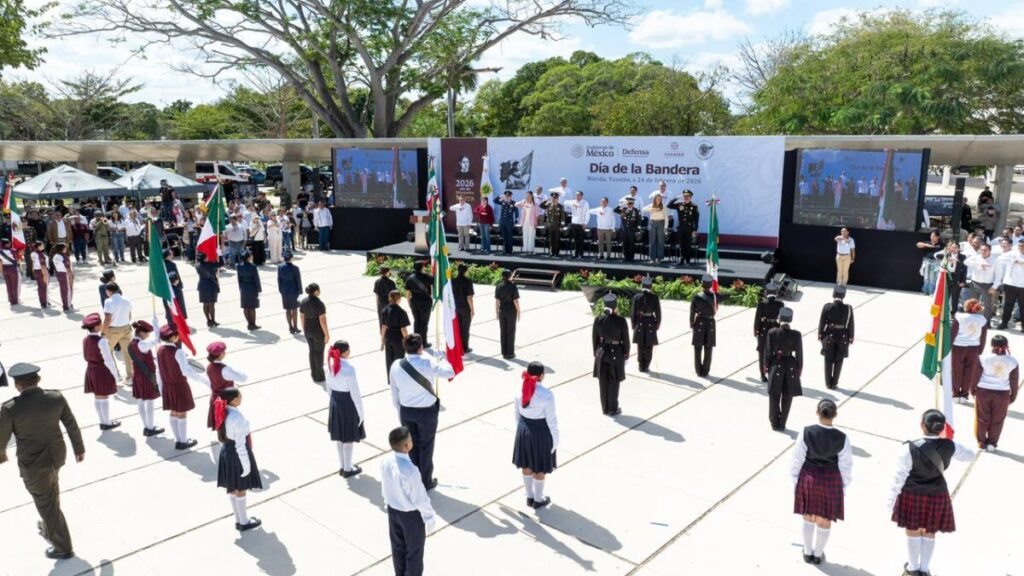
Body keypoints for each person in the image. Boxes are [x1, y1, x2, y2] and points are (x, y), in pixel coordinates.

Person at [0, 363, 85, 560]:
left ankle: (63, 547)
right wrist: (79, 448)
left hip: (33, 464)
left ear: (17, 385)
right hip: (56, 456)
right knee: (50, 494)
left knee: (46, 503)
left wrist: (1, 456)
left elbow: (0, 438)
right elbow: (71, 424)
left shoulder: (10, 408)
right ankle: (49, 526)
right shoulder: (56, 397)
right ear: (38, 380)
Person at [887, 410, 974, 576]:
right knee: (929, 531)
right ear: (942, 428)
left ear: (922, 425)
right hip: (937, 494)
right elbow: (970, 455)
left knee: (913, 530)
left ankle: (912, 569)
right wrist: (949, 442)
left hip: (912, 494)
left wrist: (891, 501)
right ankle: (925, 569)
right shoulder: (950, 445)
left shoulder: (909, 448)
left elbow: (899, 477)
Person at [790, 399, 853, 566]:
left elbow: (797, 459)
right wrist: (843, 486)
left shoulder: (806, 432)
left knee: (808, 516)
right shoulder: (842, 438)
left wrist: (795, 480)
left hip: (809, 477)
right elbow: (846, 465)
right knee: (824, 520)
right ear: (835, 415)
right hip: (831, 481)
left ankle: (807, 552)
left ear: (817, 412)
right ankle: (817, 555)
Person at [389, 334, 454, 490]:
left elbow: (394, 393)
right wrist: (441, 358)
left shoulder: (396, 365)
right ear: (421, 348)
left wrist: (399, 410)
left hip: (406, 411)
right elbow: (450, 372)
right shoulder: (427, 363)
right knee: (426, 446)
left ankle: (413, 478)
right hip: (426, 412)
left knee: (409, 447)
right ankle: (425, 480)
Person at [381, 426, 436, 576]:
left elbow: (385, 487)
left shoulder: (386, 462)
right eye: (411, 439)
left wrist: (387, 503)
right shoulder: (410, 471)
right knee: (414, 553)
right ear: (407, 445)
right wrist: (429, 517)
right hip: (410, 516)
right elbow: (420, 499)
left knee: (398, 549)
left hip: (393, 511)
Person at [213, 387, 263, 532]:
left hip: (227, 451)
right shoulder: (237, 419)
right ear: (234, 400)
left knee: (233, 489)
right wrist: (246, 465)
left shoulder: (223, 411)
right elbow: (240, 445)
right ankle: (244, 522)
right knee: (241, 489)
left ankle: (239, 519)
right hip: (236, 454)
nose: (242, 397)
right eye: (240, 396)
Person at [157, 324, 210, 450]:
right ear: (173, 337)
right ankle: (183, 441)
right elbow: (186, 371)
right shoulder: (178, 352)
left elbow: (158, 371)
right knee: (182, 413)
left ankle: (178, 440)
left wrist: (161, 387)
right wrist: (205, 381)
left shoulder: (159, 350)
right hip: (179, 385)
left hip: (167, 385)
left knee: (173, 412)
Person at [513, 361, 558, 509]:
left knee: (526, 464)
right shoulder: (546, 394)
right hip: (540, 432)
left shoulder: (519, 392)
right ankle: (538, 499)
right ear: (542, 375)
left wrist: (520, 432)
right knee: (539, 467)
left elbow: (517, 415)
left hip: (523, 429)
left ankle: (530, 496)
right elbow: (551, 419)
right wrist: (555, 439)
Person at [326, 340, 365, 477]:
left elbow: (329, 388)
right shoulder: (349, 369)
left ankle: (343, 466)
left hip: (335, 401)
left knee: (339, 436)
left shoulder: (329, 365)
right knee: (348, 437)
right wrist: (361, 411)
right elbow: (355, 393)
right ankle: (348, 469)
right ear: (345, 352)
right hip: (348, 404)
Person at [973, 334, 1018, 452]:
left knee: (982, 418)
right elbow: (1014, 381)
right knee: (998, 420)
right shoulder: (1013, 361)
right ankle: (992, 443)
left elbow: (975, 375)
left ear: (991, 345)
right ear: (1006, 345)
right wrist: (1012, 396)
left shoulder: (983, 358)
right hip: (1002, 394)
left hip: (983, 392)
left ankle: (982, 442)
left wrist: (972, 390)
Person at [81, 313, 121, 430]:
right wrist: (116, 375)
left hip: (91, 369)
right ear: (96, 326)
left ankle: (103, 421)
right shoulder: (102, 341)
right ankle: (106, 422)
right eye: (100, 324)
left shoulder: (85, 340)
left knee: (98, 396)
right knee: (104, 396)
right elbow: (108, 360)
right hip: (101, 370)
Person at [765, 307, 803, 431]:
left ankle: (774, 422)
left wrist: (767, 366)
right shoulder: (796, 334)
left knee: (774, 395)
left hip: (776, 364)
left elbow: (768, 353)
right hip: (791, 365)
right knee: (788, 395)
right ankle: (782, 423)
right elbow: (799, 354)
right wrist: (799, 368)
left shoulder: (772, 332)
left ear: (779, 318)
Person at [592, 293, 629, 416]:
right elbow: (625, 340)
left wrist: (596, 352)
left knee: (603, 383)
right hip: (616, 354)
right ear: (615, 307)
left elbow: (595, 338)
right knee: (614, 382)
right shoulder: (621, 321)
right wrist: (626, 354)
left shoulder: (598, 319)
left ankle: (605, 408)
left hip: (601, 353)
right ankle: (612, 408)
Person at [127, 319, 164, 437]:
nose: (148, 335)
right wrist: (156, 325)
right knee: (149, 402)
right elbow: (157, 340)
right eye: (147, 333)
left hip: (138, 375)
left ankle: (146, 426)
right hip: (146, 376)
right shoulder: (142, 344)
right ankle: (150, 427)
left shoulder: (131, 343)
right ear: (141, 332)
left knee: (140, 402)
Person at [205, 341, 248, 431]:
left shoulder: (209, 367)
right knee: (227, 428)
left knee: (220, 429)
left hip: (214, 399)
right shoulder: (224, 369)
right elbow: (243, 378)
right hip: (225, 401)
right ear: (221, 355)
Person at [951, 299, 987, 403]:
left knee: (956, 371)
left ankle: (955, 394)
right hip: (974, 348)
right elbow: (983, 337)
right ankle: (964, 394)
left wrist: (948, 347)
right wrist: (980, 350)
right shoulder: (982, 320)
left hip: (958, 347)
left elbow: (953, 333)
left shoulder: (959, 317)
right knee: (969, 372)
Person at [818, 286, 854, 390]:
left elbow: (822, 321)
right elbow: (850, 324)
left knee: (828, 360)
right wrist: (851, 336)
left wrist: (820, 334)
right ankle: (834, 383)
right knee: (839, 360)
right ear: (843, 296)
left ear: (833, 294)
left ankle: (828, 383)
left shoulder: (827, 306)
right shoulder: (848, 308)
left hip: (829, 335)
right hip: (843, 336)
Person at [101, 281, 134, 382]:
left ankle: (115, 375)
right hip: (126, 328)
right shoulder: (127, 300)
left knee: (107, 352)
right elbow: (129, 316)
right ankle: (130, 377)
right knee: (127, 353)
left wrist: (103, 332)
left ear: (108, 291)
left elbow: (107, 319)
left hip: (113, 330)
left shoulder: (108, 301)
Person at [300, 283, 329, 384]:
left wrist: (304, 329)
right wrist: (326, 334)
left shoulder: (303, 301)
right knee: (319, 352)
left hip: (307, 328)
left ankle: (314, 374)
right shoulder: (319, 304)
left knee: (312, 351)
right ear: (316, 291)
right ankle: (319, 376)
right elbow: (322, 320)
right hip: (317, 330)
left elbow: (302, 317)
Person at [754, 283, 784, 382]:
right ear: (776, 293)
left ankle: (763, 374)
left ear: (766, 293)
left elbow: (757, 319)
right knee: (775, 352)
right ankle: (772, 371)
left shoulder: (762, 304)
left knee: (762, 352)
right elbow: (782, 318)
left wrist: (756, 330)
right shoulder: (780, 304)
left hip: (764, 329)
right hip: (775, 329)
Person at [630, 276, 661, 372]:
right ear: (651, 287)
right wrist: (657, 323)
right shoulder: (654, 297)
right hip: (650, 322)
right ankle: (646, 365)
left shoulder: (637, 297)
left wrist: (633, 324)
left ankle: (641, 365)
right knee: (649, 345)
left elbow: (633, 313)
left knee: (640, 345)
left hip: (640, 321)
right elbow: (658, 313)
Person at [993, 238, 1024, 330]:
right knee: (1008, 305)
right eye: (1019, 245)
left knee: (1023, 306)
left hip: (1023, 286)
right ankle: (1004, 323)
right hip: (1010, 284)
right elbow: (1000, 259)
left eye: (1023, 246)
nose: (1021, 247)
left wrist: (1020, 262)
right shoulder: (1012, 253)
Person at [690, 275, 717, 377]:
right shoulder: (714, 296)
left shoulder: (696, 297)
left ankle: (698, 370)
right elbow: (725, 296)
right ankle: (705, 371)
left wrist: (692, 324)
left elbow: (692, 312)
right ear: (711, 285)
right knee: (708, 348)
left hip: (699, 322)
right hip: (710, 323)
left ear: (701, 284)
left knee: (698, 348)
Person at [381, 290, 410, 376]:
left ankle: (391, 379)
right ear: (399, 299)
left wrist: (382, 341)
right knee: (399, 361)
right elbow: (403, 329)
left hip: (388, 337)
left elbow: (383, 327)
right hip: (398, 338)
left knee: (389, 361)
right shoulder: (401, 312)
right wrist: (407, 342)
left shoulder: (385, 310)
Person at [405, 261, 433, 348]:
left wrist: (409, 303)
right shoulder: (428, 277)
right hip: (425, 302)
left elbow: (408, 293)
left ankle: (415, 342)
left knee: (417, 321)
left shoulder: (409, 278)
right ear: (422, 268)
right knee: (424, 323)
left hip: (414, 302)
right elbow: (434, 283)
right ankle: (423, 343)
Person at [964, 243, 996, 321]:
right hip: (975, 283)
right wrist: (979, 264)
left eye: (985, 250)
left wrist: (994, 286)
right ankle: (973, 320)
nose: (983, 251)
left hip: (987, 285)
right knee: (973, 303)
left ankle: (986, 322)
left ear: (990, 251)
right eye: (981, 250)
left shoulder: (995, 260)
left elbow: (998, 275)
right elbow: (965, 262)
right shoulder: (976, 257)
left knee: (987, 304)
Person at [667, 190, 700, 265]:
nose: (686, 197)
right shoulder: (679, 204)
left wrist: (695, 229)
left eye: (688, 196)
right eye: (684, 196)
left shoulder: (694, 206)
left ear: (690, 197)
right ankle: (682, 259)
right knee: (681, 244)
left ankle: (688, 260)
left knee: (688, 244)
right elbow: (669, 205)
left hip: (689, 228)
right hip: (681, 227)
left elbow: (696, 219)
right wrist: (677, 197)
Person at [495, 268, 521, 359]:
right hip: (511, 311)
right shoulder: (513, 286)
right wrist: (519, 312)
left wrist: (496, 312)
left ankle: (504, 352)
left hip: (502, 310)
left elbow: (497, 301)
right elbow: (515, 301)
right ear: (510, 276)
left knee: (503, 331)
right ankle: (509, 353)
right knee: (511, 331)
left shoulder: (499, 286)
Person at [276, 252, 303, 334]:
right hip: (294, 291)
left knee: (288, 310)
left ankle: (290, 327)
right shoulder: (295, 268)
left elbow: (279, 280)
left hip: (285, 290)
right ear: (291, 258)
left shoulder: (280, 267)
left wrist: (280, 290)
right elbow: (298, 281)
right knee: (294, 310)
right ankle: (295, 327)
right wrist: (300, 291)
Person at [451, 263, 475, 353]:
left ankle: (458, 345)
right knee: (465, 328)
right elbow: (469, 297)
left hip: (455, 307)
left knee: (458, 327)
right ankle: (464, 347)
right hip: (465, 307)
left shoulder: (453, 281)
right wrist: (472, 309)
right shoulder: (468, 281)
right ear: (466, 271)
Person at [236, 251, 262, 331]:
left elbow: (239, 279)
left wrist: (240, 288)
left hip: (244, 287)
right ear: (248, 258)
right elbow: (256, 279)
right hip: (252, 287)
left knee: (246, 307)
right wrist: (259, 290)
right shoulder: (253, 267)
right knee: (252, 307)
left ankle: (249, 324)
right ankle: (253, 324)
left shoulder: (239, 266)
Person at [197, 252, 221, 327]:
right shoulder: (210, 264)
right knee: (211, 304)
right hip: (211, 285)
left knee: (205, 304)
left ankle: (208, 320)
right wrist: (219, 255)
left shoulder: (197, 266)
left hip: (202, 286)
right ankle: (213, 320)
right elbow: (221, 264)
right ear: (205, 258)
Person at [643, 193, 669, 264]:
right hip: (652, 223)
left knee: (660, 241)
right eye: (657, 198)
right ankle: (652, 258)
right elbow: (643, 209)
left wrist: (666, 227)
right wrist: (651, 209)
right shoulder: (651, 205)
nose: (659, 200)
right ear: (655, 199)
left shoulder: (663, 206)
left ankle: (659, 258)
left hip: (661, 223)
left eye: (660, 199)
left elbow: (666, 217)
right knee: (652, 241)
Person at [614, 196, 641, 262]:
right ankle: (625, 256)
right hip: (624, 230)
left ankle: (631, 257)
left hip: (632, 230)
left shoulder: (636, 210)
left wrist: (638, 230)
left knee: (631, 243)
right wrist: (622, 204)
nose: (629, 205)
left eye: (631, 203)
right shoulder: (623, 209)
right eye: (628, 203)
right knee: (625, 243)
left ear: (633, 204)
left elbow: (638, 221)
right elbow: (615, 210)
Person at [565, 190, 590, 259]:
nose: (577, 196)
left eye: (579, 195)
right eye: (576, 195)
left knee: (581, 240)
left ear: (582, 196)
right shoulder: (573, 201)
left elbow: (587, 214)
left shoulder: (585, 203)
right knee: (575, 240)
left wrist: (585, 223)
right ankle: (575, 253)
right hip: (574, 223)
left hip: (581, 224)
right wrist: (573, 203)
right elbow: (565, 202)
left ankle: (581, 254)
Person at [916, 230, 943, 294]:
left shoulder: (941, 244)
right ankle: (925, 291)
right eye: (931, 236)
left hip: (936, 262)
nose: (931, 237)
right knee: (926, 277)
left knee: (933, 277)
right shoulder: (927, 242)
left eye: (933, 236)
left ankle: (932, 291)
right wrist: (928, 245)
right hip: (927, 261)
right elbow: (918, 244)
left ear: (938, 237)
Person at [50, 243, 74, 312]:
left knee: (68, 289)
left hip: (66, 273)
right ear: (61, 249)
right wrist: (69, 273)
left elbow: (69, 265)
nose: (66, 249)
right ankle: (66, 306)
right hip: (63, 274)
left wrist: (71, 273)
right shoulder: (58, 256)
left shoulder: (64, 255)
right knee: (65, 290)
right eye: (65, 247)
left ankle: (69, 303)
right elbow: (62, 267)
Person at [516, 190, 540, 254]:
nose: (527, 196)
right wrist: (523, 203)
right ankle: (525, 249)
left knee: (531, 236)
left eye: (529, 195)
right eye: (527, 195)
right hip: (525, 222)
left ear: (531, 196)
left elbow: (537, 215)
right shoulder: (524, 202)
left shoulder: (535, 204)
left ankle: (530, 250)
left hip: (532, 222)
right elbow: (516, 204)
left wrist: (536, 223)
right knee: (525, 235)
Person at [1, 238, 21, 305]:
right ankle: (15, 300)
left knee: (8, 286)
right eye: (9, 243)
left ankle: (10, 300)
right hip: (12, 268)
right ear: (6, 244)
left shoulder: (0, 251)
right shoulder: (12, 250)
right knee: (14, 285)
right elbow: (19, 254)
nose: (10, 244)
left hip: (5, 268)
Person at [29, 241, 49, 308]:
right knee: (42, 287)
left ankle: (45, 301)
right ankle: (44, 303)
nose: (43, 246)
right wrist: (45, 273)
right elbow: (41, 264)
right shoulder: (37, 254)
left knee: (43, 287)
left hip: (39, 270)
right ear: (39, 246)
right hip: (41, 271)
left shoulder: (36, 253)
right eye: (42, 245)